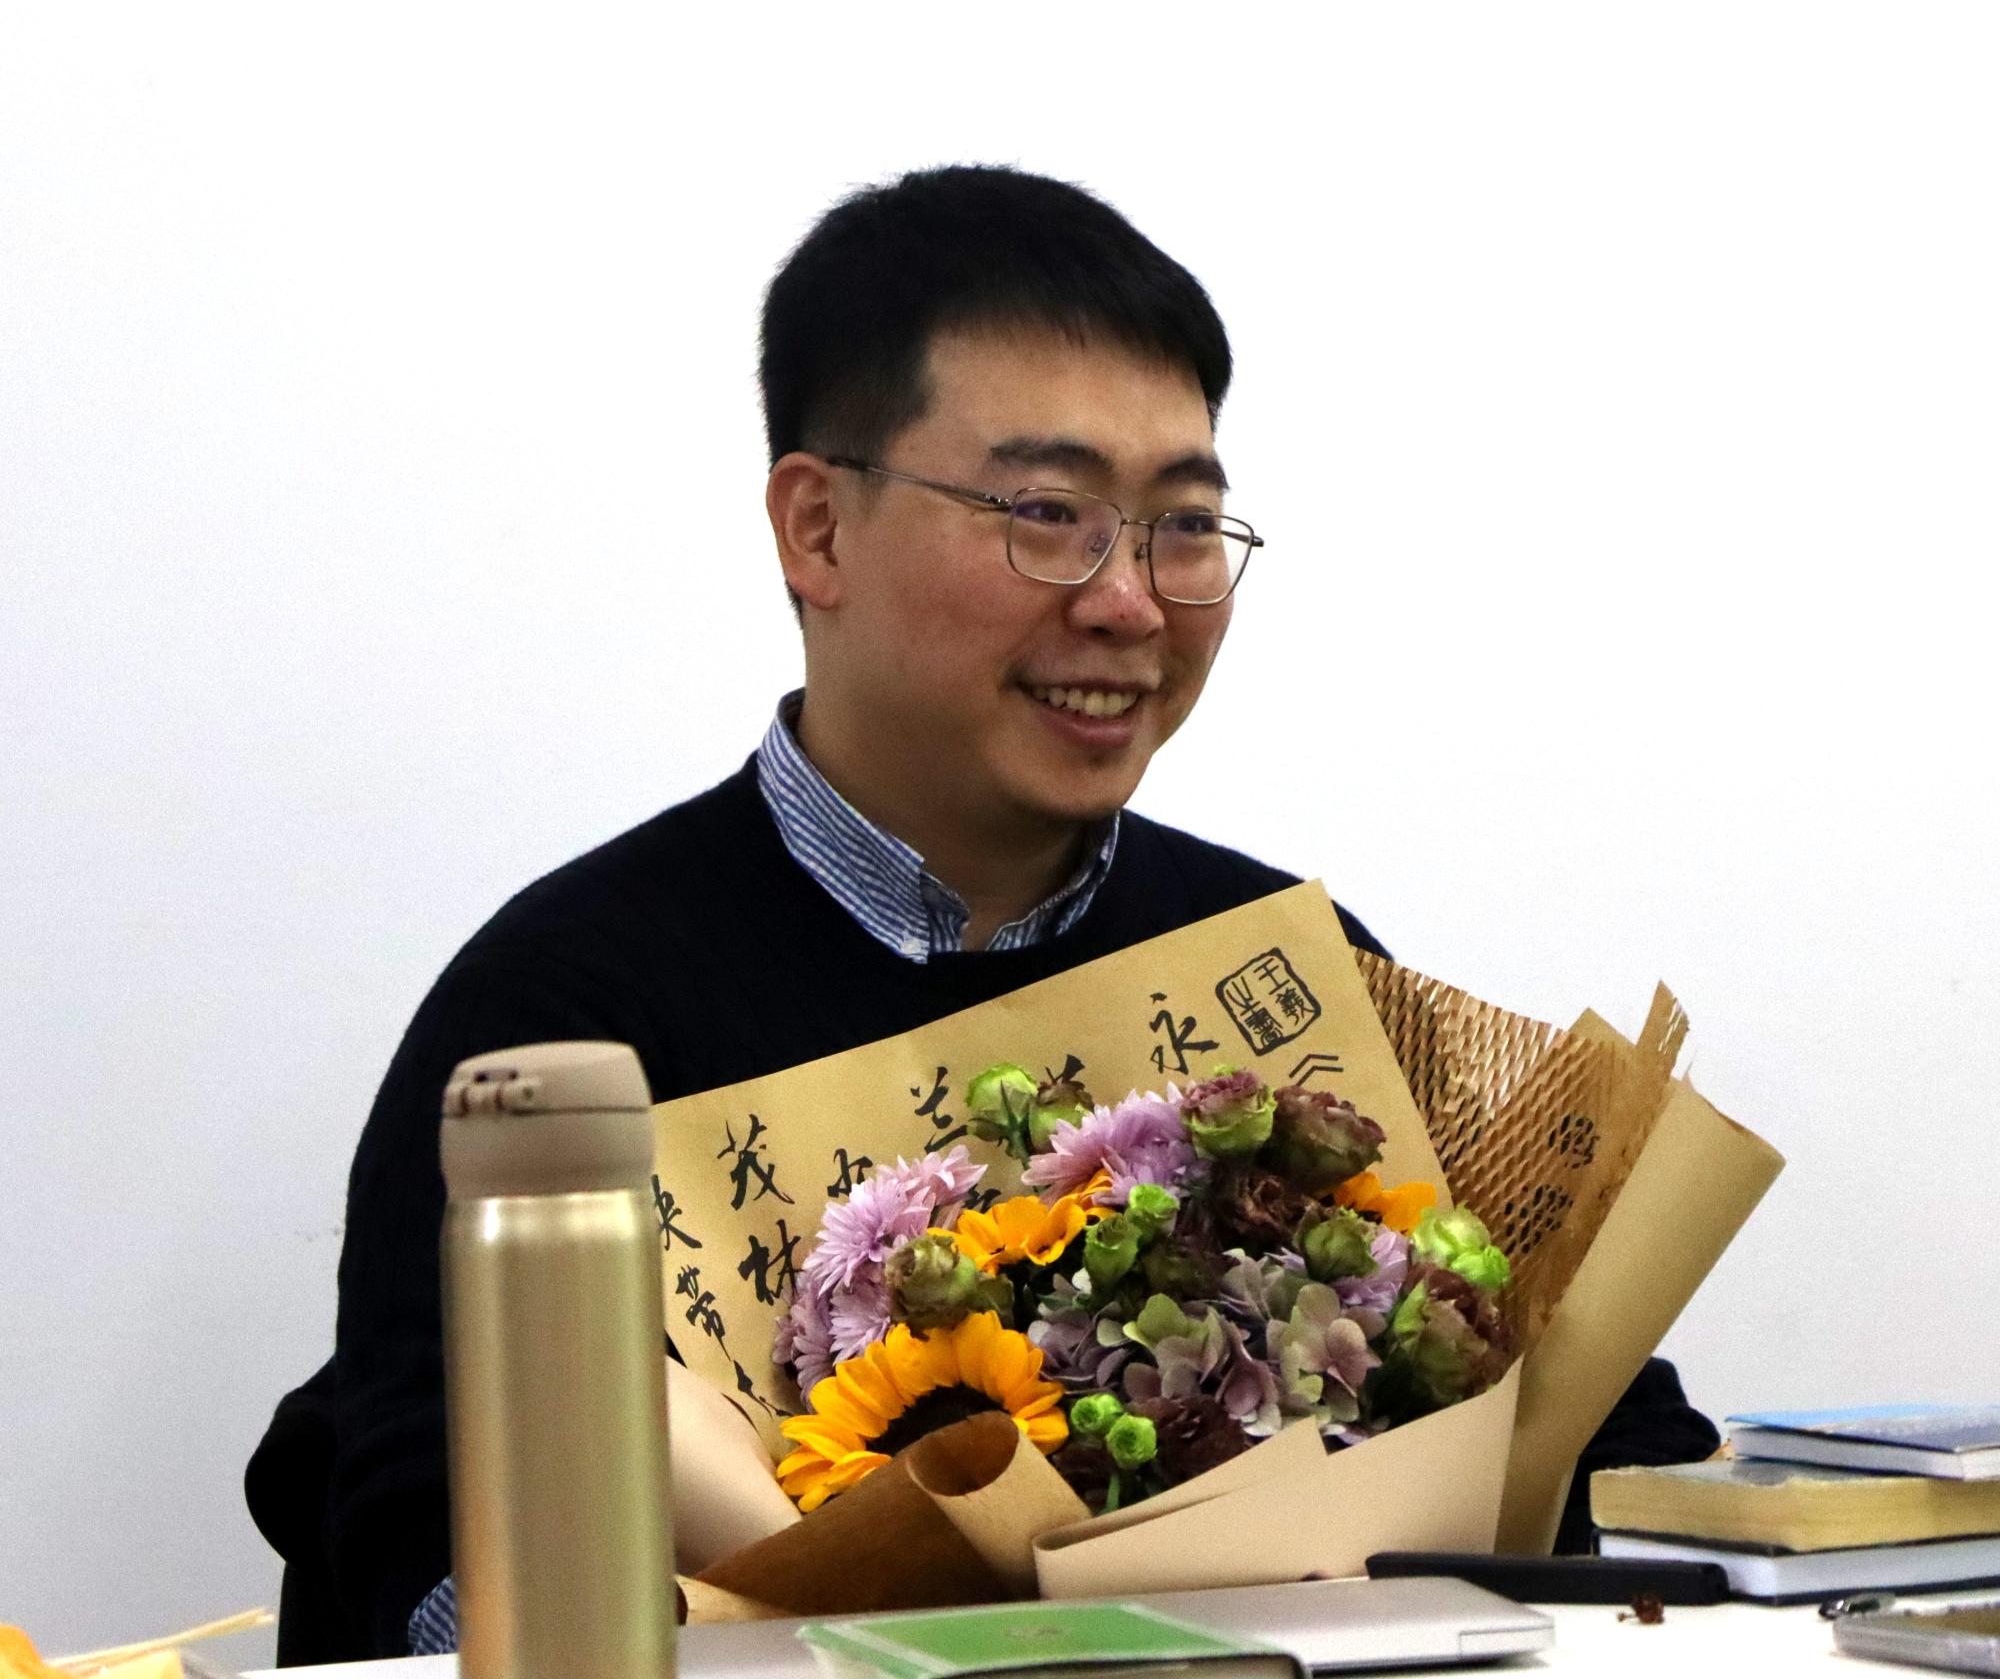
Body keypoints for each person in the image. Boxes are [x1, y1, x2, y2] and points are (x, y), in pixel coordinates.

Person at [246, 166, 1716, 1661]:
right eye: (1048, 513)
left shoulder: (1280, 971)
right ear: (817, 529)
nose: (1130, 601)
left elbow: (1606, 1444)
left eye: (1183, 525)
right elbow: (428, 1564)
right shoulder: (565, 1020)